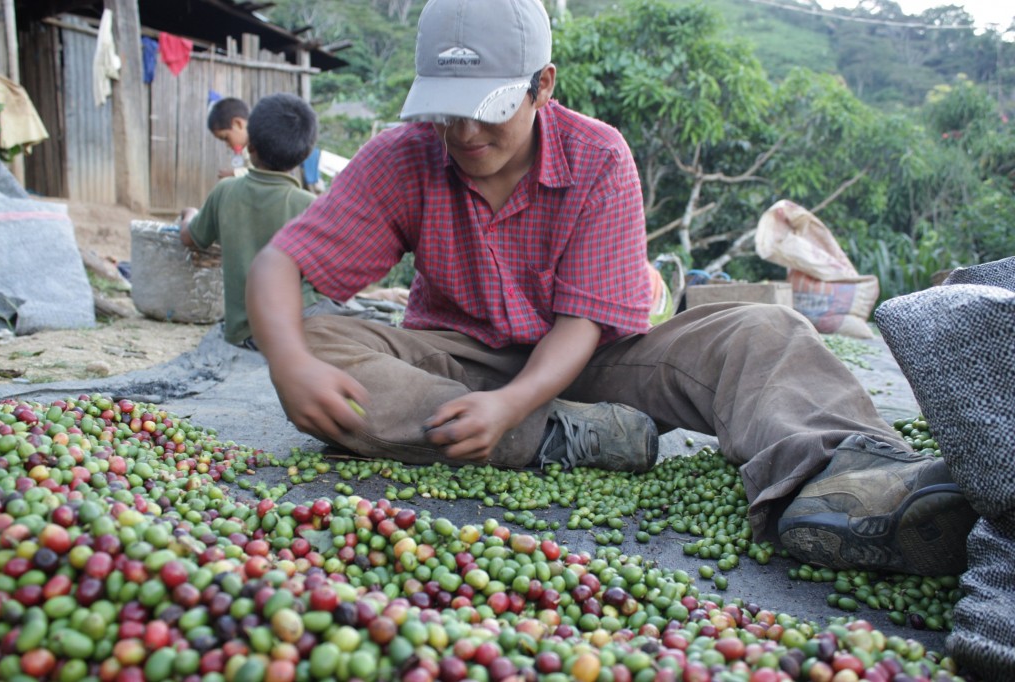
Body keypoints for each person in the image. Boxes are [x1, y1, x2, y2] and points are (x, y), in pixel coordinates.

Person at [246, 0, 976, 575]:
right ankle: (569, 439)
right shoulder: (402, 157)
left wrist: (513, 402)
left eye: (490, 107)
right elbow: (280, 265)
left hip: (604, 360)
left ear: (543, 85)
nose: (465, 132)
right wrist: (293, 363)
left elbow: (581, 326)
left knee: (768, 331)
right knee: (312, 346)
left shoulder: (597, 156)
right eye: (448, 109)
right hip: (459, 357)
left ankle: (846, 479)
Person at [181, 93, 324, 349]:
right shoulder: (310, 206)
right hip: (292, 336)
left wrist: (188, 214)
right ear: (305, 154)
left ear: (251, 145)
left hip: (242, 336)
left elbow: (190, 237)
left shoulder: (225, 191)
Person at [208, 97, 252, 179]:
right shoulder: (246, 149)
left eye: (226, 138)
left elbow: (263, 174)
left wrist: (235, 173)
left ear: (238, 124)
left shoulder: (263, 143)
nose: (227, 145)